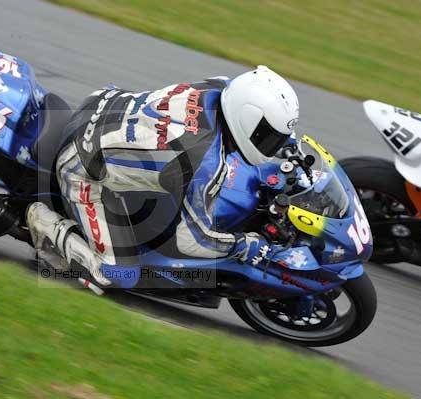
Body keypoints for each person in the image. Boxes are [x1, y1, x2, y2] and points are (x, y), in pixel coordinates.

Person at [27, 65, 300, 287]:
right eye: (270, 138)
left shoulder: (218, 87)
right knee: (119, 275)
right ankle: (46, 225)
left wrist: (286, 143)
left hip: (104, 104)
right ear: (247, 118)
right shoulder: (203, 164)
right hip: (80, 168)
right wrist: (244, 245)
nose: (272, 144)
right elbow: (193, 241)